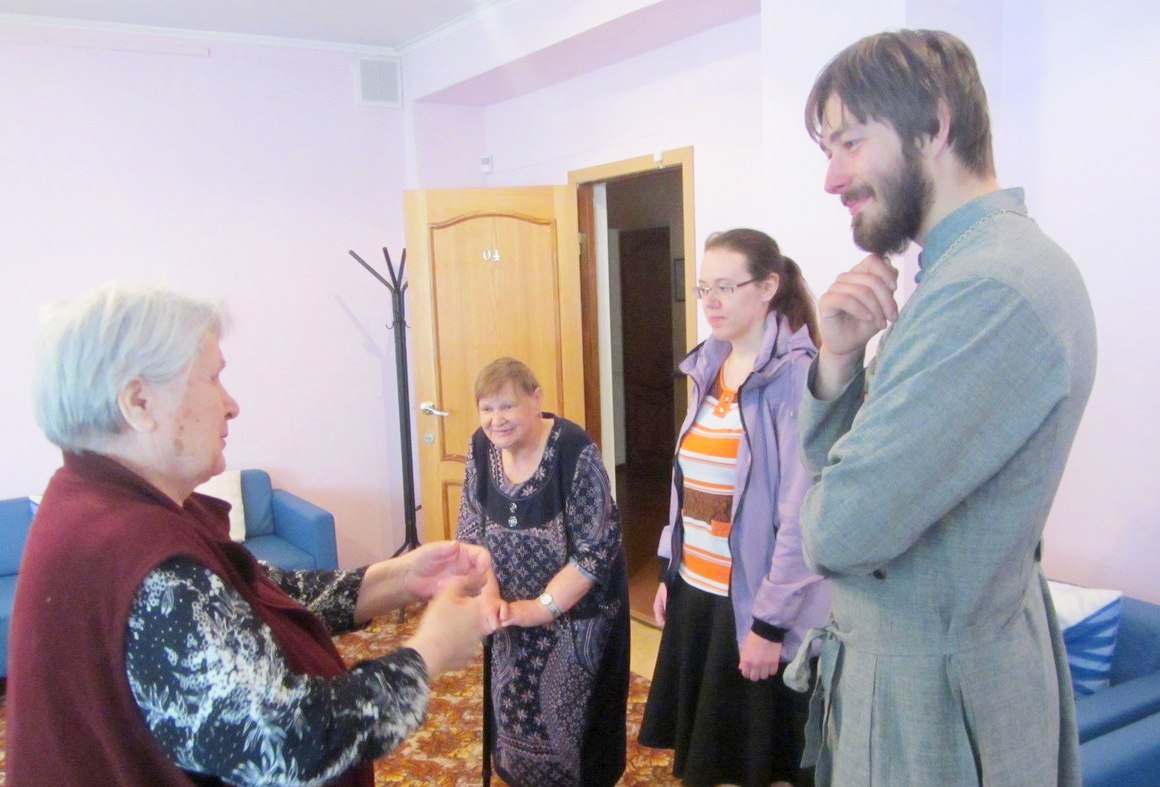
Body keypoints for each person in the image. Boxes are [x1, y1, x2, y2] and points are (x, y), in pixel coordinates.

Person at [8, 283, 491, 786]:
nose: (231, 405)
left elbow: (254, 595)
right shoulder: (133, 553)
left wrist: (400, 578)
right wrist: (429, 652)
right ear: (139, 402)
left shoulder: (114, 505)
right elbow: (284, 743)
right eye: (212, 378)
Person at [785, 30, 1096, 786]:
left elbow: (838, 531)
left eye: (850, 142)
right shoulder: (961, 273)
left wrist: (829, 498)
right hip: (924, 687)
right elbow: (849, 486)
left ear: (935, 126)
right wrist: (838, 361)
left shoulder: (989, 289)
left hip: (933, 715)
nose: (832, 178)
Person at [638, 229, 831, 787]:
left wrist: (770, 624)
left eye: (725, 287)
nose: (710, 302)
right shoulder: (709, 366)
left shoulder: (797, 378)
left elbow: (802, 517)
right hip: (698, 590)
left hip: (753, 602)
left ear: (768, 286)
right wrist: (670, 569)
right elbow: (689, 482)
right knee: (710, 757)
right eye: (704, 288)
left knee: (760, 764)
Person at [456, 357, 629, 787]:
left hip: (579, 616)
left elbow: (596, 549)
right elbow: (471, 531)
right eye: (487, 408)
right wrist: (490, 598)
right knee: (513, 708)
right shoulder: (480, 447)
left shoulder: (574, 451)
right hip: (509, 611)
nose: (496, 420)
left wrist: (540, 608)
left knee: (576, 726)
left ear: (536, 399)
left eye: (508, 406)